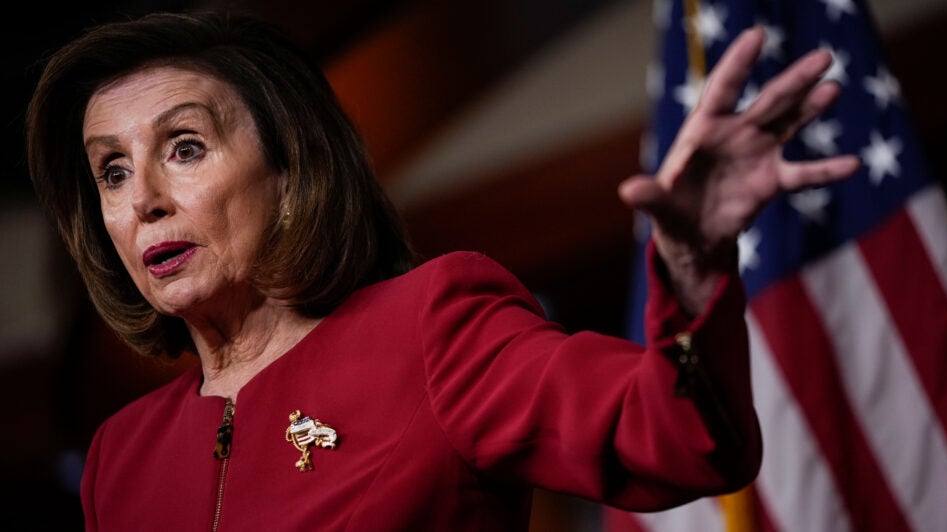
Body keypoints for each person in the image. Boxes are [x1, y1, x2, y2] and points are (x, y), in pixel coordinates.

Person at [25, 11, 858, 532]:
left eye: (184, 147)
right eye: (112, 172)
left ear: (289, 172)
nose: (144, 200)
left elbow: (680, 442)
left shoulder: (431, 326)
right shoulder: (119, 458)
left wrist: (693, 269)